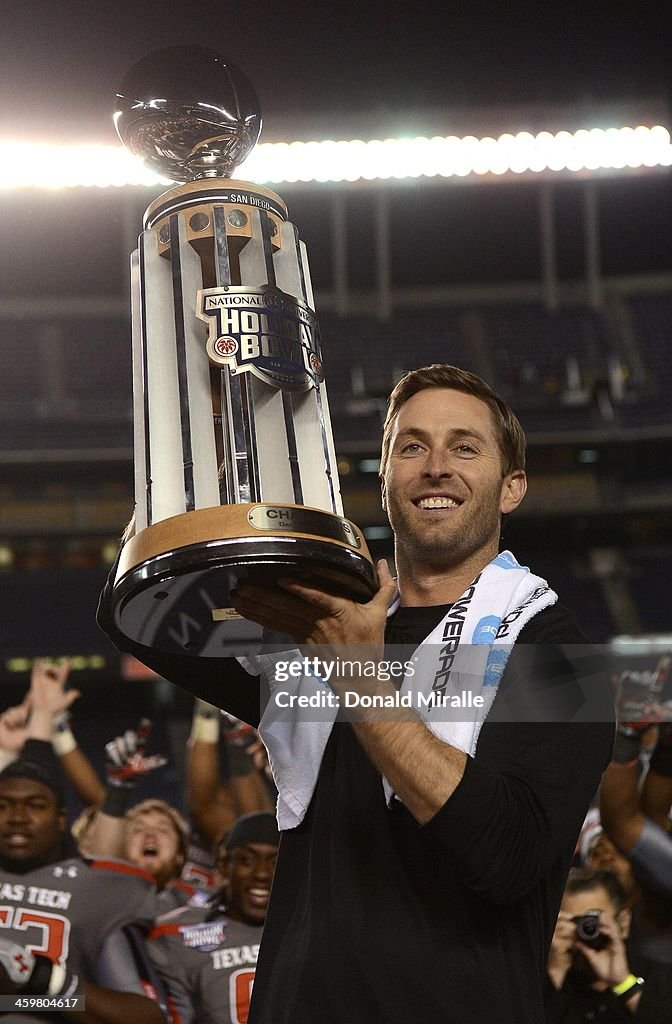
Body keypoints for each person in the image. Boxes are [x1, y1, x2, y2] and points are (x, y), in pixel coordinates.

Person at [99, 363, 615, 1023]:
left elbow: (508, 857)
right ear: (385, 477)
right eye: (411, 445)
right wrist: (194, 465)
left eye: (464, 446)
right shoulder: (317, 621)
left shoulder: (563, 660)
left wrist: (358, 674)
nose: (435, 466)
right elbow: (139, 620)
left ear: (511, 488)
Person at [0, 755, 166, 1023]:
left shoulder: (95, 889)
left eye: (35, 805)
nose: (17, 818)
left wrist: (42, 978)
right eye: (2, 806)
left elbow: (145, 1018)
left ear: (61, 818)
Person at [147, 812, 279, 1024]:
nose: (262, 873)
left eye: (276, 861)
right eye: (247, 860)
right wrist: (73, 998)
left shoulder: (316, 933)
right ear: (225, 867)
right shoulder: (176, 934)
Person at [545, 867, 672, 1021]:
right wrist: (555, 972)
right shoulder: (541, 985)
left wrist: (625, 984)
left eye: (592, 922)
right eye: (574, 922)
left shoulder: (661, 980)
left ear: (624, 922)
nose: (584, 931)